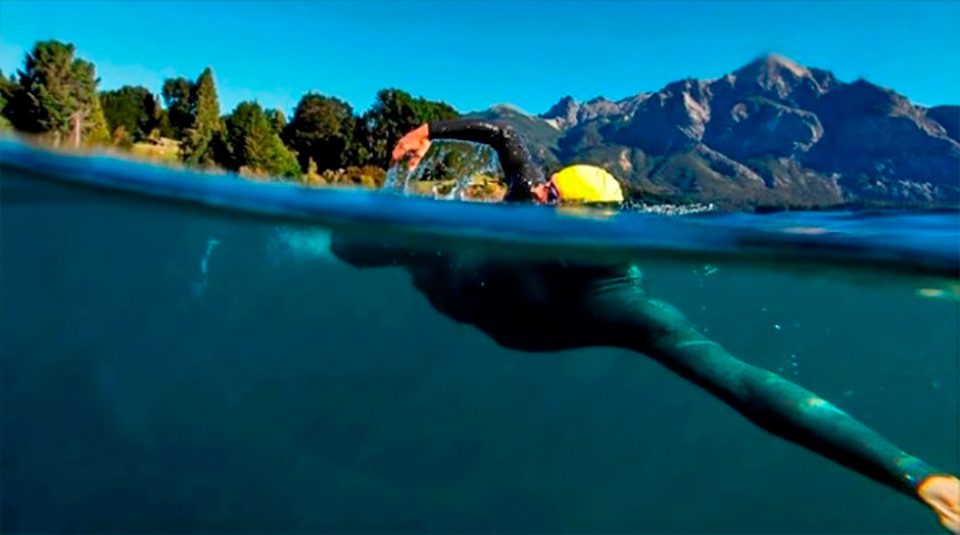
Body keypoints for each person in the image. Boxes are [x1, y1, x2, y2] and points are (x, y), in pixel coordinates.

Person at [330, 118, 960, 533]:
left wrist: (911, 472)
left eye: (553, 209)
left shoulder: (620, 302)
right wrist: (428, 130)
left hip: (499, 312)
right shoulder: (531, 201)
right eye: (542, 202)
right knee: (356, 244)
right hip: (454, 277)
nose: (534, 206)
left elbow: (746, 385)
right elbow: (503, 137)